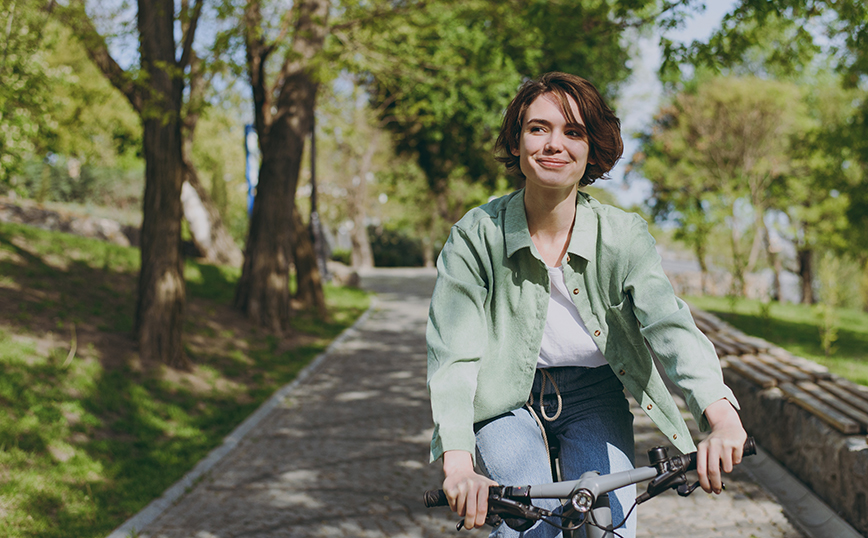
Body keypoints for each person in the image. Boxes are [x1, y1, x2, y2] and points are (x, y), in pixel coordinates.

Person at [426, 72, 747, 538]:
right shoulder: (476, 237)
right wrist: (459, 464)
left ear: (591, 150)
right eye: (538, 128)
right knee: (532, 530)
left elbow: (670, 326)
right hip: (503, 400)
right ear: (517, 142)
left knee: (609, 527)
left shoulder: (624, 237)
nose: (554, 144)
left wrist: (721, 419)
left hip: (595, 395)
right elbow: (453, 357)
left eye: (573, 132)